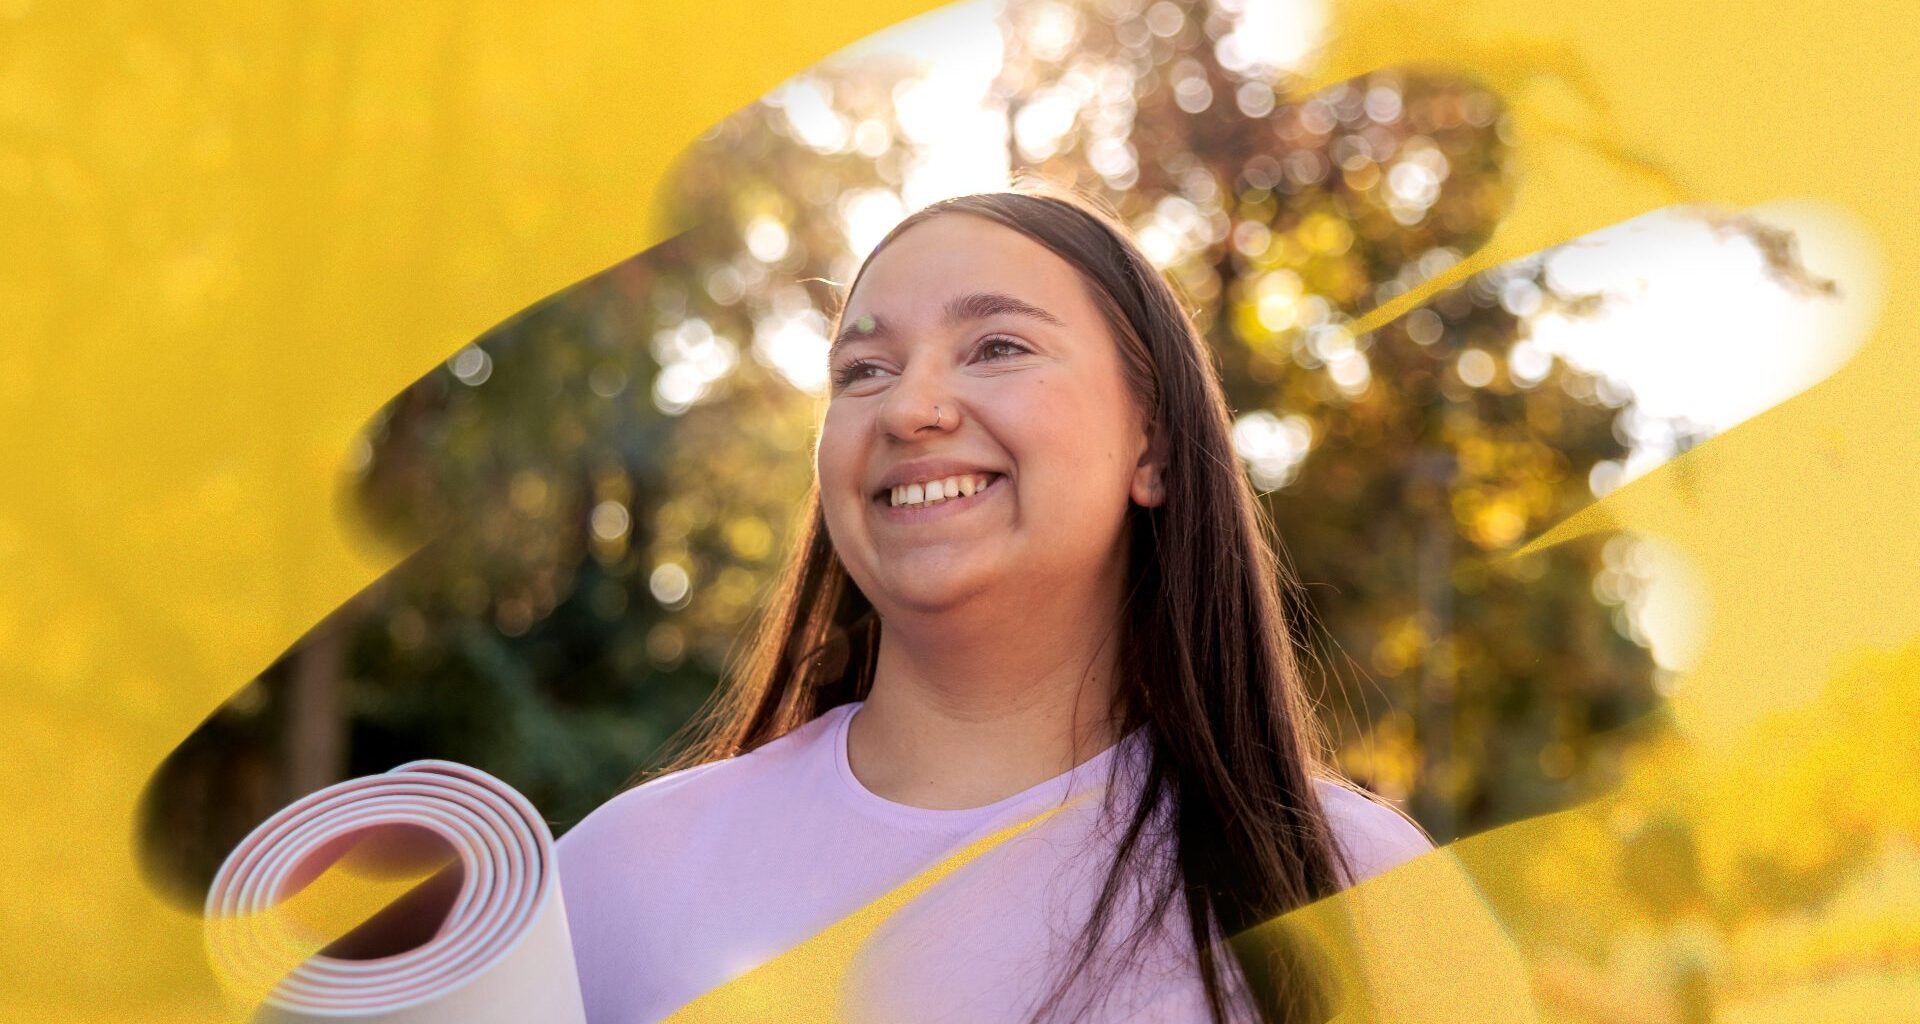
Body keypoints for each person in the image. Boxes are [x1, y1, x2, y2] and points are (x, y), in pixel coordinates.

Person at [555, 181, 1436, 1024]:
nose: (909, 406)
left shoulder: (1363, 894)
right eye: (863, 369)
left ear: (1154, 447)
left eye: (998, 347)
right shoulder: (612, 881)